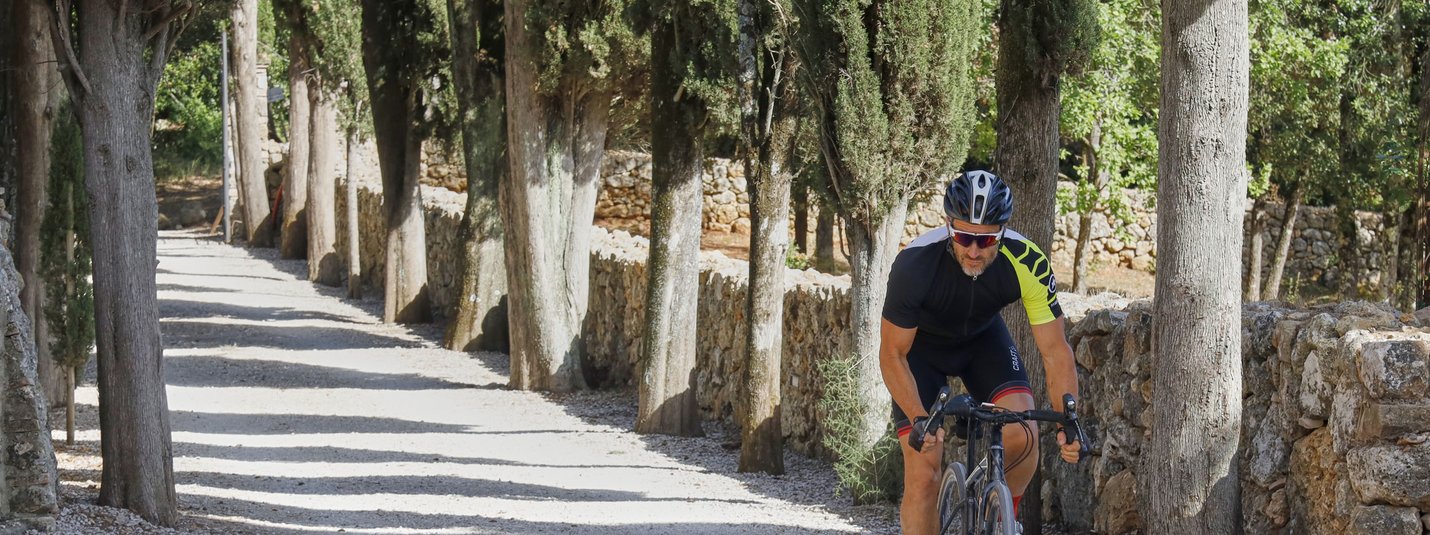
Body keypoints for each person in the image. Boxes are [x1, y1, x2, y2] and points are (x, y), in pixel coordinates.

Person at [880, 170, 1082, 535]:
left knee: (1026, 434)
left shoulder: (1028, 262)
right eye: (963, 237)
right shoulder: (914, 265)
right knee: (924, 472)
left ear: (1003, 231)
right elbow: (892, 354)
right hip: (920, 352)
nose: (974, 250)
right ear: (948, 226)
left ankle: (1005, 519)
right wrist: (918, 416)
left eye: (986, 239)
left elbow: (1055, 350)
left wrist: (1070, 418)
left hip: (982, 340)